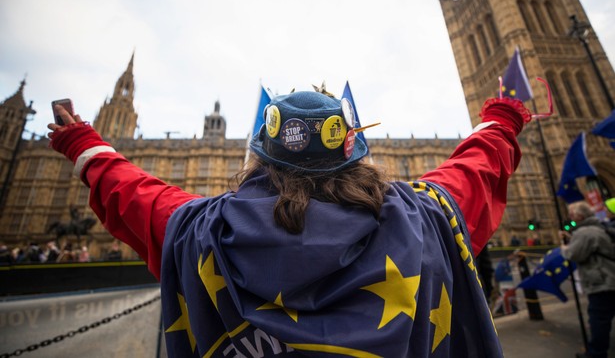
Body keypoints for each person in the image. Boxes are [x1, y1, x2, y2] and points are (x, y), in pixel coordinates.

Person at [49, 89, 530, 357]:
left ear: (260, 156)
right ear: (352, 154)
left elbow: (133, 194)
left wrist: (82, 144)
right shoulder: (422, 217)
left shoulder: (203, 230)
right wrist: (502, 120)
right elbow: (474, 172)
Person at [560, 201, 615, 358]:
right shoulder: (601, 226)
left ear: (580, 216)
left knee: (599, 321)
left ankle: (596, 353)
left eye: (572, 214)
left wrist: (564, 247)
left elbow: (573, 254)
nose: (569, 217)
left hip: (602, 282)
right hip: (610, 277)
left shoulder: (584, 232)